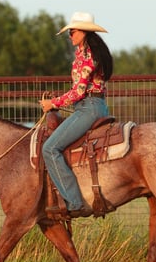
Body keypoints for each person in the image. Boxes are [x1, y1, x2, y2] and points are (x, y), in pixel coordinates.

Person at [39, 12, 113, 218]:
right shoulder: (89, 54)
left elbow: (79, 92)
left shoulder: (87, 57)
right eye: (69, 31)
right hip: (93, 106)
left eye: (73, 31)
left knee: (50, 148)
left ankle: (74, 201)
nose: (70, 34)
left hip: (88, 107)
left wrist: (52, 103)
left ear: (84, 32)